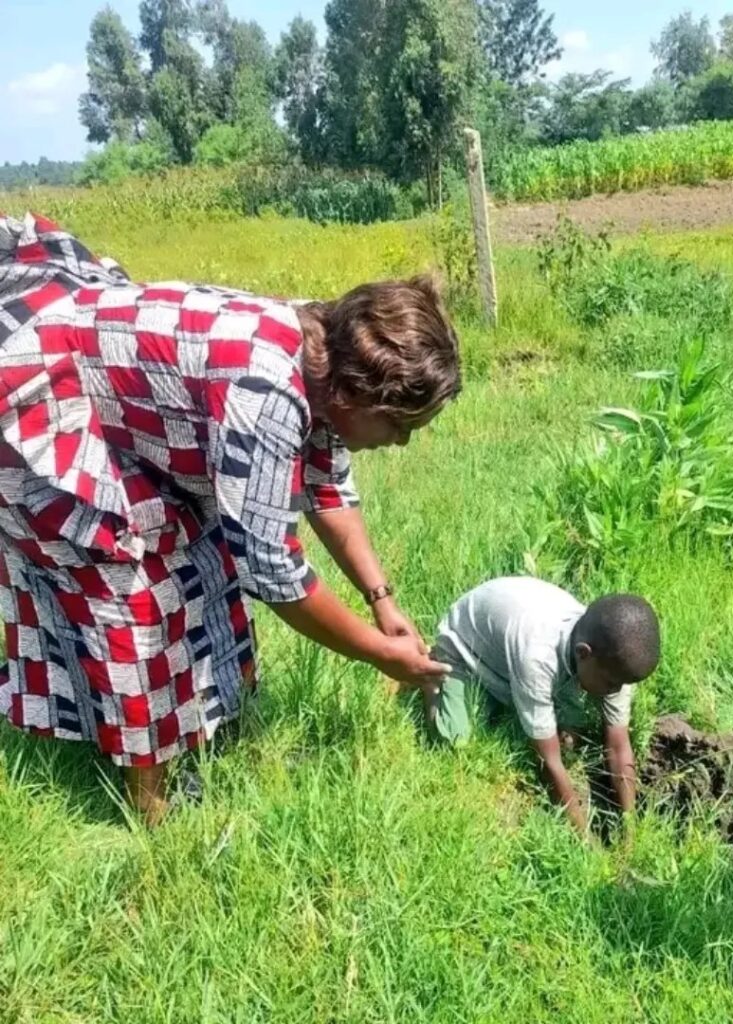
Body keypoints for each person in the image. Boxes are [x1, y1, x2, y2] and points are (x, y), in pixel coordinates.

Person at [0, 212, 458, 824]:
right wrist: (378, 653)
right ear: (353, 394)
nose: (399, 444)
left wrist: (381, 599)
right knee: (134, 602)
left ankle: (208, 744)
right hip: (50, 407)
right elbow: (272, 572)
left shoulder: (326, 346)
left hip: (130, 422)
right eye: (398, 426)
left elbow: (326, 484)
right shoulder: (267, 392)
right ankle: (151, 808)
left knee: (204, 561)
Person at [422, 576, 660, 835]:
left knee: (569, 740)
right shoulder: (537, 658)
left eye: (623, 684)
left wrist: (630, 826)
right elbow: (549, 763)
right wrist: (586, 842)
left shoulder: (612, 656)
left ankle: (507, 695)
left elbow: (618, 745)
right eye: (612, 683)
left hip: (515, 645)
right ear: (583, 653)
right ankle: (429, 676)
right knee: (454, 740)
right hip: (466, 650)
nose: (616, 691)